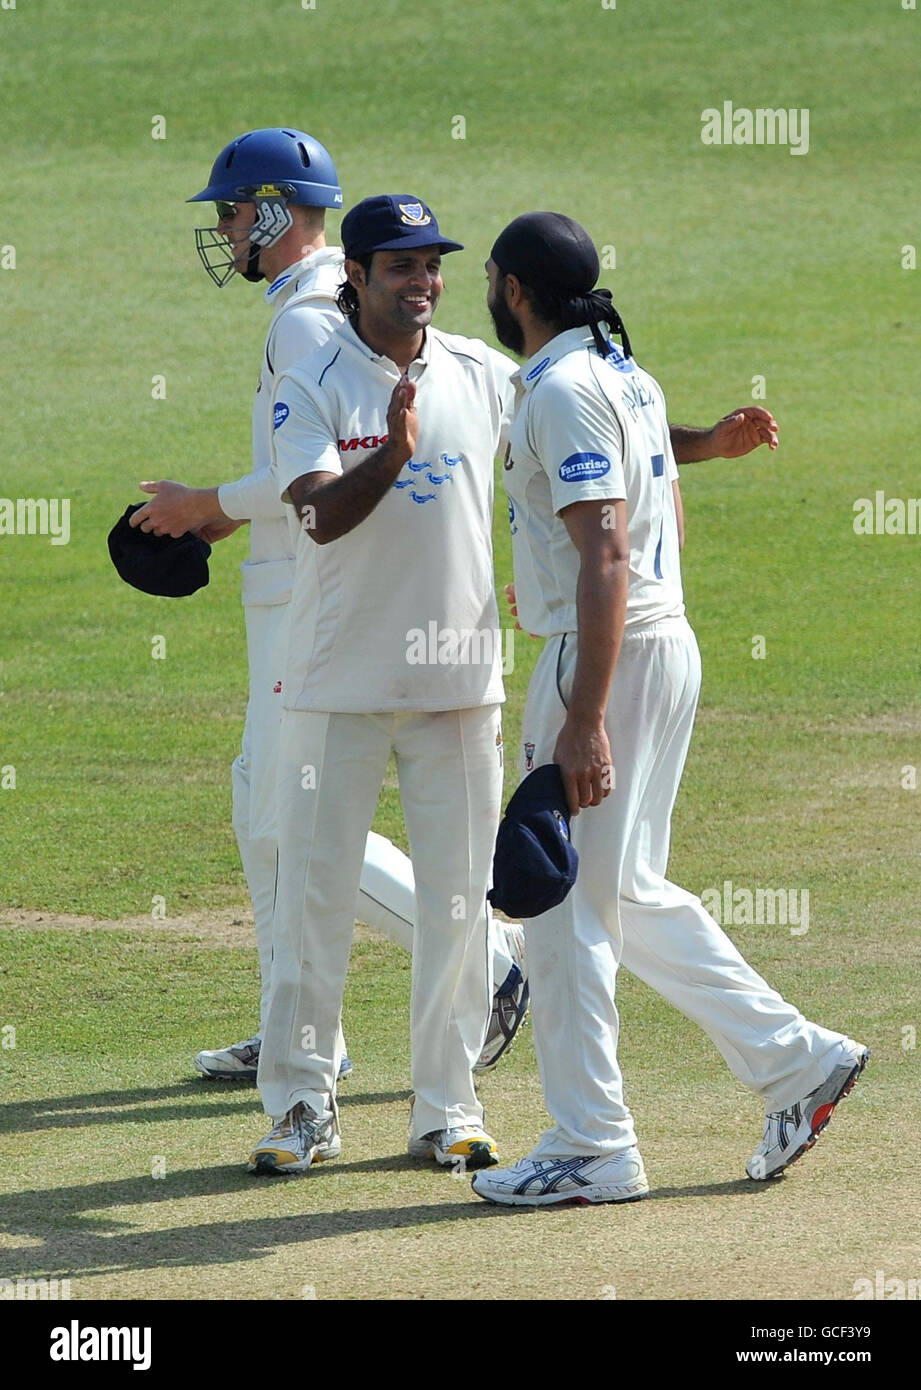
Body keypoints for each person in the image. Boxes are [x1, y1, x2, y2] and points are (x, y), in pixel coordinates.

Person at [471, 211, 868, 1207]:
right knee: (628, 891)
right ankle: (797, 1061)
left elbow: (606, 547)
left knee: (559, 911)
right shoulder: (622, 373)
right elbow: (638, 492)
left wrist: (583, 711)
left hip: (603, 658)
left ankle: (591, 1144)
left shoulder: (560, 387)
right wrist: (712, 448)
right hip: (659, 640)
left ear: (515, 289)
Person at [128, 132, 528, 1082]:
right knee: (259, 805)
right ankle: (302, 1032)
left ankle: (494, 968)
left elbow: (311, 470)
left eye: (230, 211)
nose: (225, 230)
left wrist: (204, 508)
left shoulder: (310, 315)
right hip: (292, 586)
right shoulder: (305, 307)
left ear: (270, 210)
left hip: (312, 601)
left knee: (292, 817)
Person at [249, 194, 518, 1175]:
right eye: (400, 265)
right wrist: (392, 456)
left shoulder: (485, 373)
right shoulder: (310, 379)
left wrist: (701, 442)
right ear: (353, 275)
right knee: (314, 900)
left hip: (459, 683)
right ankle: (301, 1109)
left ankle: (447, 1108)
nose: (423, 282)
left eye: (433, 264)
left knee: (457, 906)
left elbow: (566, 447)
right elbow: (316, 516)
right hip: (338, 682)